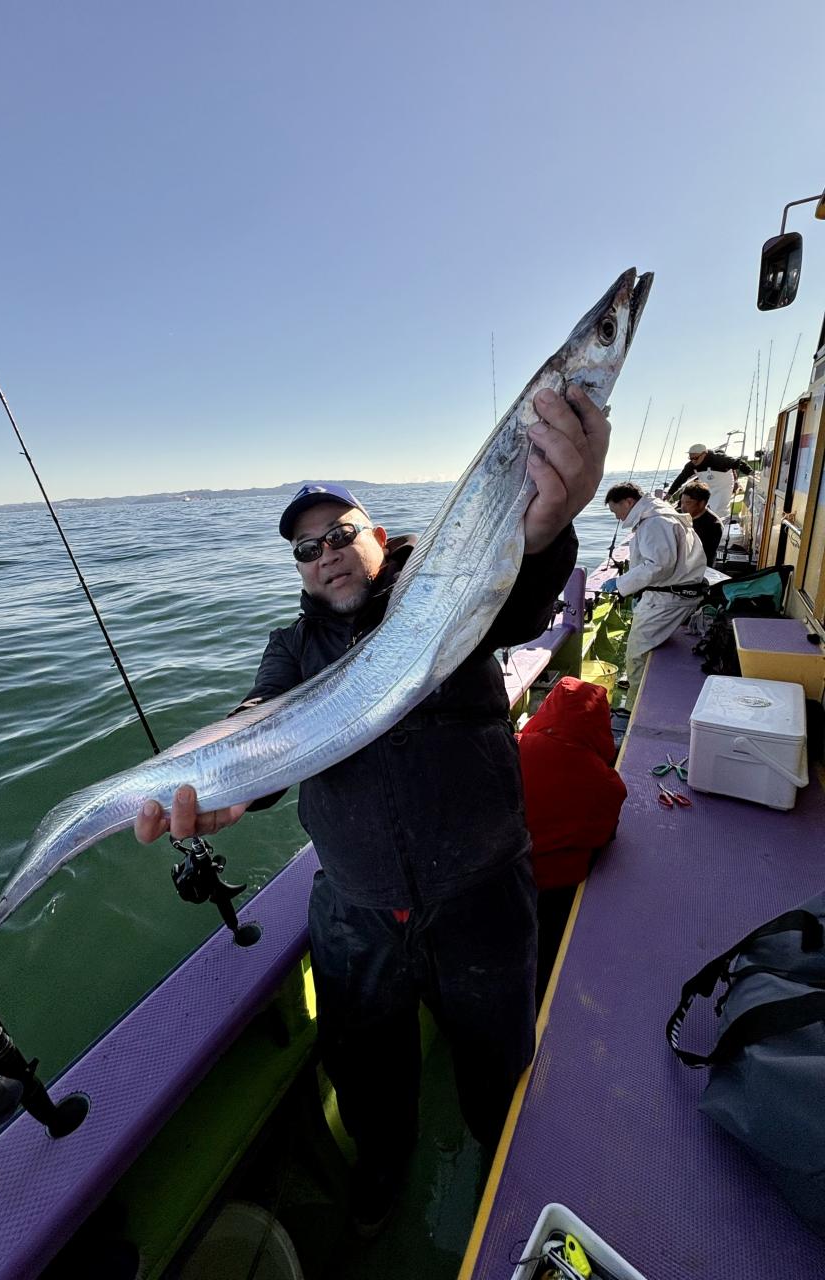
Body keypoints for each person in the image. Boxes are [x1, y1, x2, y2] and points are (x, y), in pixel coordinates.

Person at [135, 385, 610, 1235]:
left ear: (378, 539)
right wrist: (228, 779)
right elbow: (263, 719)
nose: (325, 555)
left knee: (500, 1073)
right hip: (356, 918)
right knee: (368, 1082)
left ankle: (507, 1191)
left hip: (481, 901)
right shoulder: (290, 648)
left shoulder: (447, 597)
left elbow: (525, 596)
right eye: (306, 548)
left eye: (340, 534)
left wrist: (543, 533)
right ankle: (382, 1182)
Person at [517, 677, 627, 1007]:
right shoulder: (605, 782)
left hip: (507, 881)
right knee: (548, 956)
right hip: (559, 891)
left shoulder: (511, 749)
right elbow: (604, 834)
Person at [601, 482, 706, 706]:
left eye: (615, 510)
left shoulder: (654, 522)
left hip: (668, 599)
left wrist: (620, 583)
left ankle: (636, 708)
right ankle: (641, 697)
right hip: (673, 592)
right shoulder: (659, 513)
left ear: (628, 502)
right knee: (644, 649)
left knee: (637, 654)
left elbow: (658, 565)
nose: (616, 517)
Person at [665, 442, 752, 521]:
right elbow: (680, 479)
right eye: (691, 458)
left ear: (704, 454)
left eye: (695, 458)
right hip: (708, 486)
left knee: (719, 509)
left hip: (724, 485)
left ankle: (723, 524)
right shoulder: (691, 465)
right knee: (707, 508)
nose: (693, 461)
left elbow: (738, 462)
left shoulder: (718, 459)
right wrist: (669, 494)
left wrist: (751, 473)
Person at [679, 481, 723, 566]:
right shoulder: (681, 515)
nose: (683, 507)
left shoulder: (714, 526)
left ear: (702, 503)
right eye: (682, 502)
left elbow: (703, 556)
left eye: (688, 503)